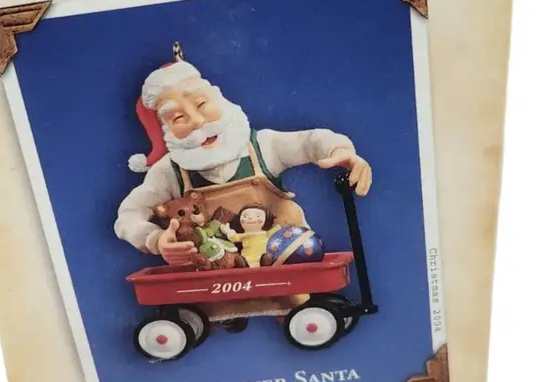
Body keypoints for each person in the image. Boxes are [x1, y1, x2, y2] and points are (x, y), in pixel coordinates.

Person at [115, 59, 372, 265]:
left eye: (201, 104)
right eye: (178, 118)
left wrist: (340, 150)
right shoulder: (169, 172)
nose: (198, 122)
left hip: (285, 267)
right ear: (165, 129)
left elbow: (309, 141)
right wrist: (156, 239)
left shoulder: (264, 146)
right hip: (215, 281)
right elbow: (129, 215)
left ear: (219, 98)